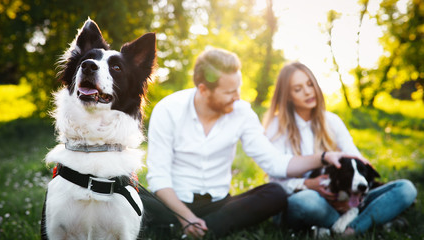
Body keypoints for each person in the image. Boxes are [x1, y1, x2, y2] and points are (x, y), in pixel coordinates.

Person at [142, 48, 359, 239]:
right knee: (132, 194)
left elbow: (275, 163)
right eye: (229, 92)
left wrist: (323, 157)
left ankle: (190, 229)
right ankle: (194, 227)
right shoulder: (168, 110)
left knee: (275, 193)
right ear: (204, 90)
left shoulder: (242, 112)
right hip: (173, 203)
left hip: (220, 204)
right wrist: (186, 217)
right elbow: (159, 178)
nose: (237, 97)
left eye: (238, 89)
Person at [262, 62, 417, 235]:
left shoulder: (332, 121)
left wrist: (353, 194)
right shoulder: (276, 127)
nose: (307, 91)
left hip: (343, 194)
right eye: (298, 89)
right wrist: (307, 184)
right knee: (305, 201)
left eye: (310, 84)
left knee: (405, 189)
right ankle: (367, 221)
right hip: (306, 200)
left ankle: (349, 230)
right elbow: (273, 184)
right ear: (287, 96)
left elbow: (354, 157)